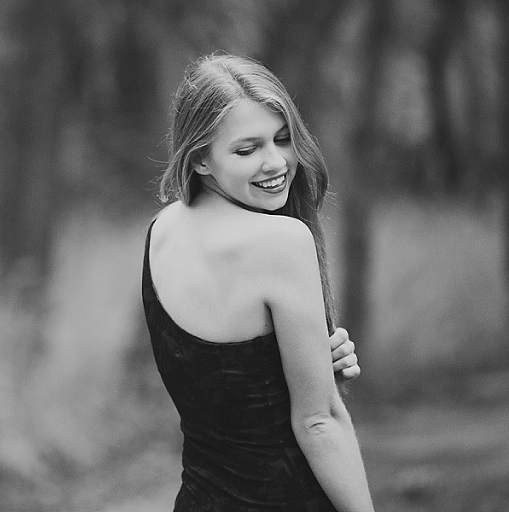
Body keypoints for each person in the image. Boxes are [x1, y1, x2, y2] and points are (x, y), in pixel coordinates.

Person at [142, 54, 374, 511]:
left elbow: (219, 386)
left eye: (282, 139)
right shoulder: (281, 241)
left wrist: (304, 363)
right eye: (246, 150)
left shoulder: (162, 231)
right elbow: (318, 423)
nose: (275, 162)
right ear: (201, 159)